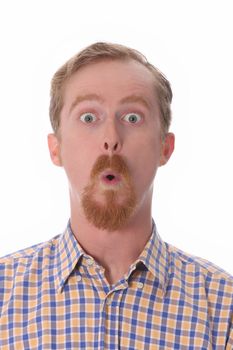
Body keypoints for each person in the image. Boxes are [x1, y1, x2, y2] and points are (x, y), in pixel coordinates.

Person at [0, 42, 232, 349]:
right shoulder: (4, 291)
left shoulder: (222, 309)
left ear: (165, 147)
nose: (111, 140)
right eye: (88, 118)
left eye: (132, 118)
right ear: (56, 148)